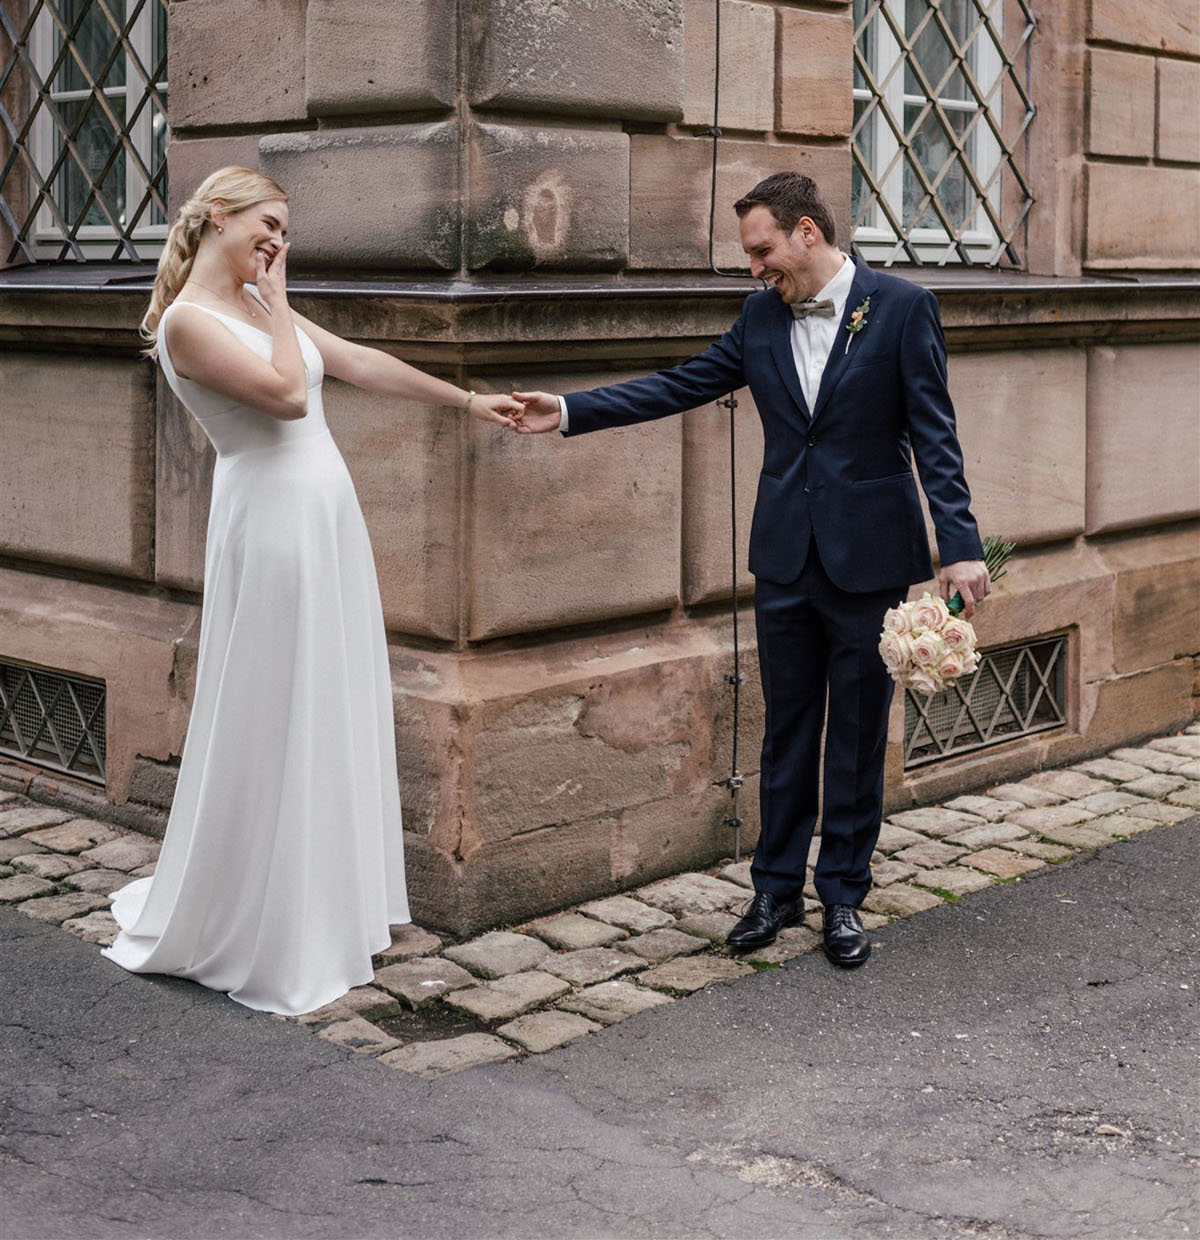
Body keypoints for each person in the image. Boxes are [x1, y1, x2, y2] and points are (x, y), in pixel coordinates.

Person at [513, 172, 988, 969]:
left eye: (763, 249)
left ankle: (842, 894)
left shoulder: (902, 308)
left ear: (809, 231)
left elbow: (934, 434)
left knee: (860, 732)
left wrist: (961, 543)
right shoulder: (759, 315)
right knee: (787, 730)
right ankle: (774, 888)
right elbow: (681, 384)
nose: (755, 268)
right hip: (784, 559)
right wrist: (566, 411)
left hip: (869, 557)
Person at [103, 167, 520, 1016]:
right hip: (274, 523)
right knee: (279, 704)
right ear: (218, 216)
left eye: (284, 231)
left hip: (325, 515)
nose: (277, 242)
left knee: (327, 698)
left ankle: (329, 907)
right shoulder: (190, 322)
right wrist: (282, 298)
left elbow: (358, 362)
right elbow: (291, 397)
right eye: (267, 224)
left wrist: (468, 401)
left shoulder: (260, 308)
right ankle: (267, 924)